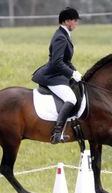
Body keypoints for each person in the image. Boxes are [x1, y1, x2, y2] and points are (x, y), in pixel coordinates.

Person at [32, 7, 82, 144]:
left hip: (58, 75)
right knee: (71, 99)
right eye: (75, 20)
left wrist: (76, 72)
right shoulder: (60, 37)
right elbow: (57, 62)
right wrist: (71, 73)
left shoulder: (64, 34)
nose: (76, 23)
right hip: (52, 77)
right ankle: (57, 133)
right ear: (66, 21)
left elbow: (66, 61)